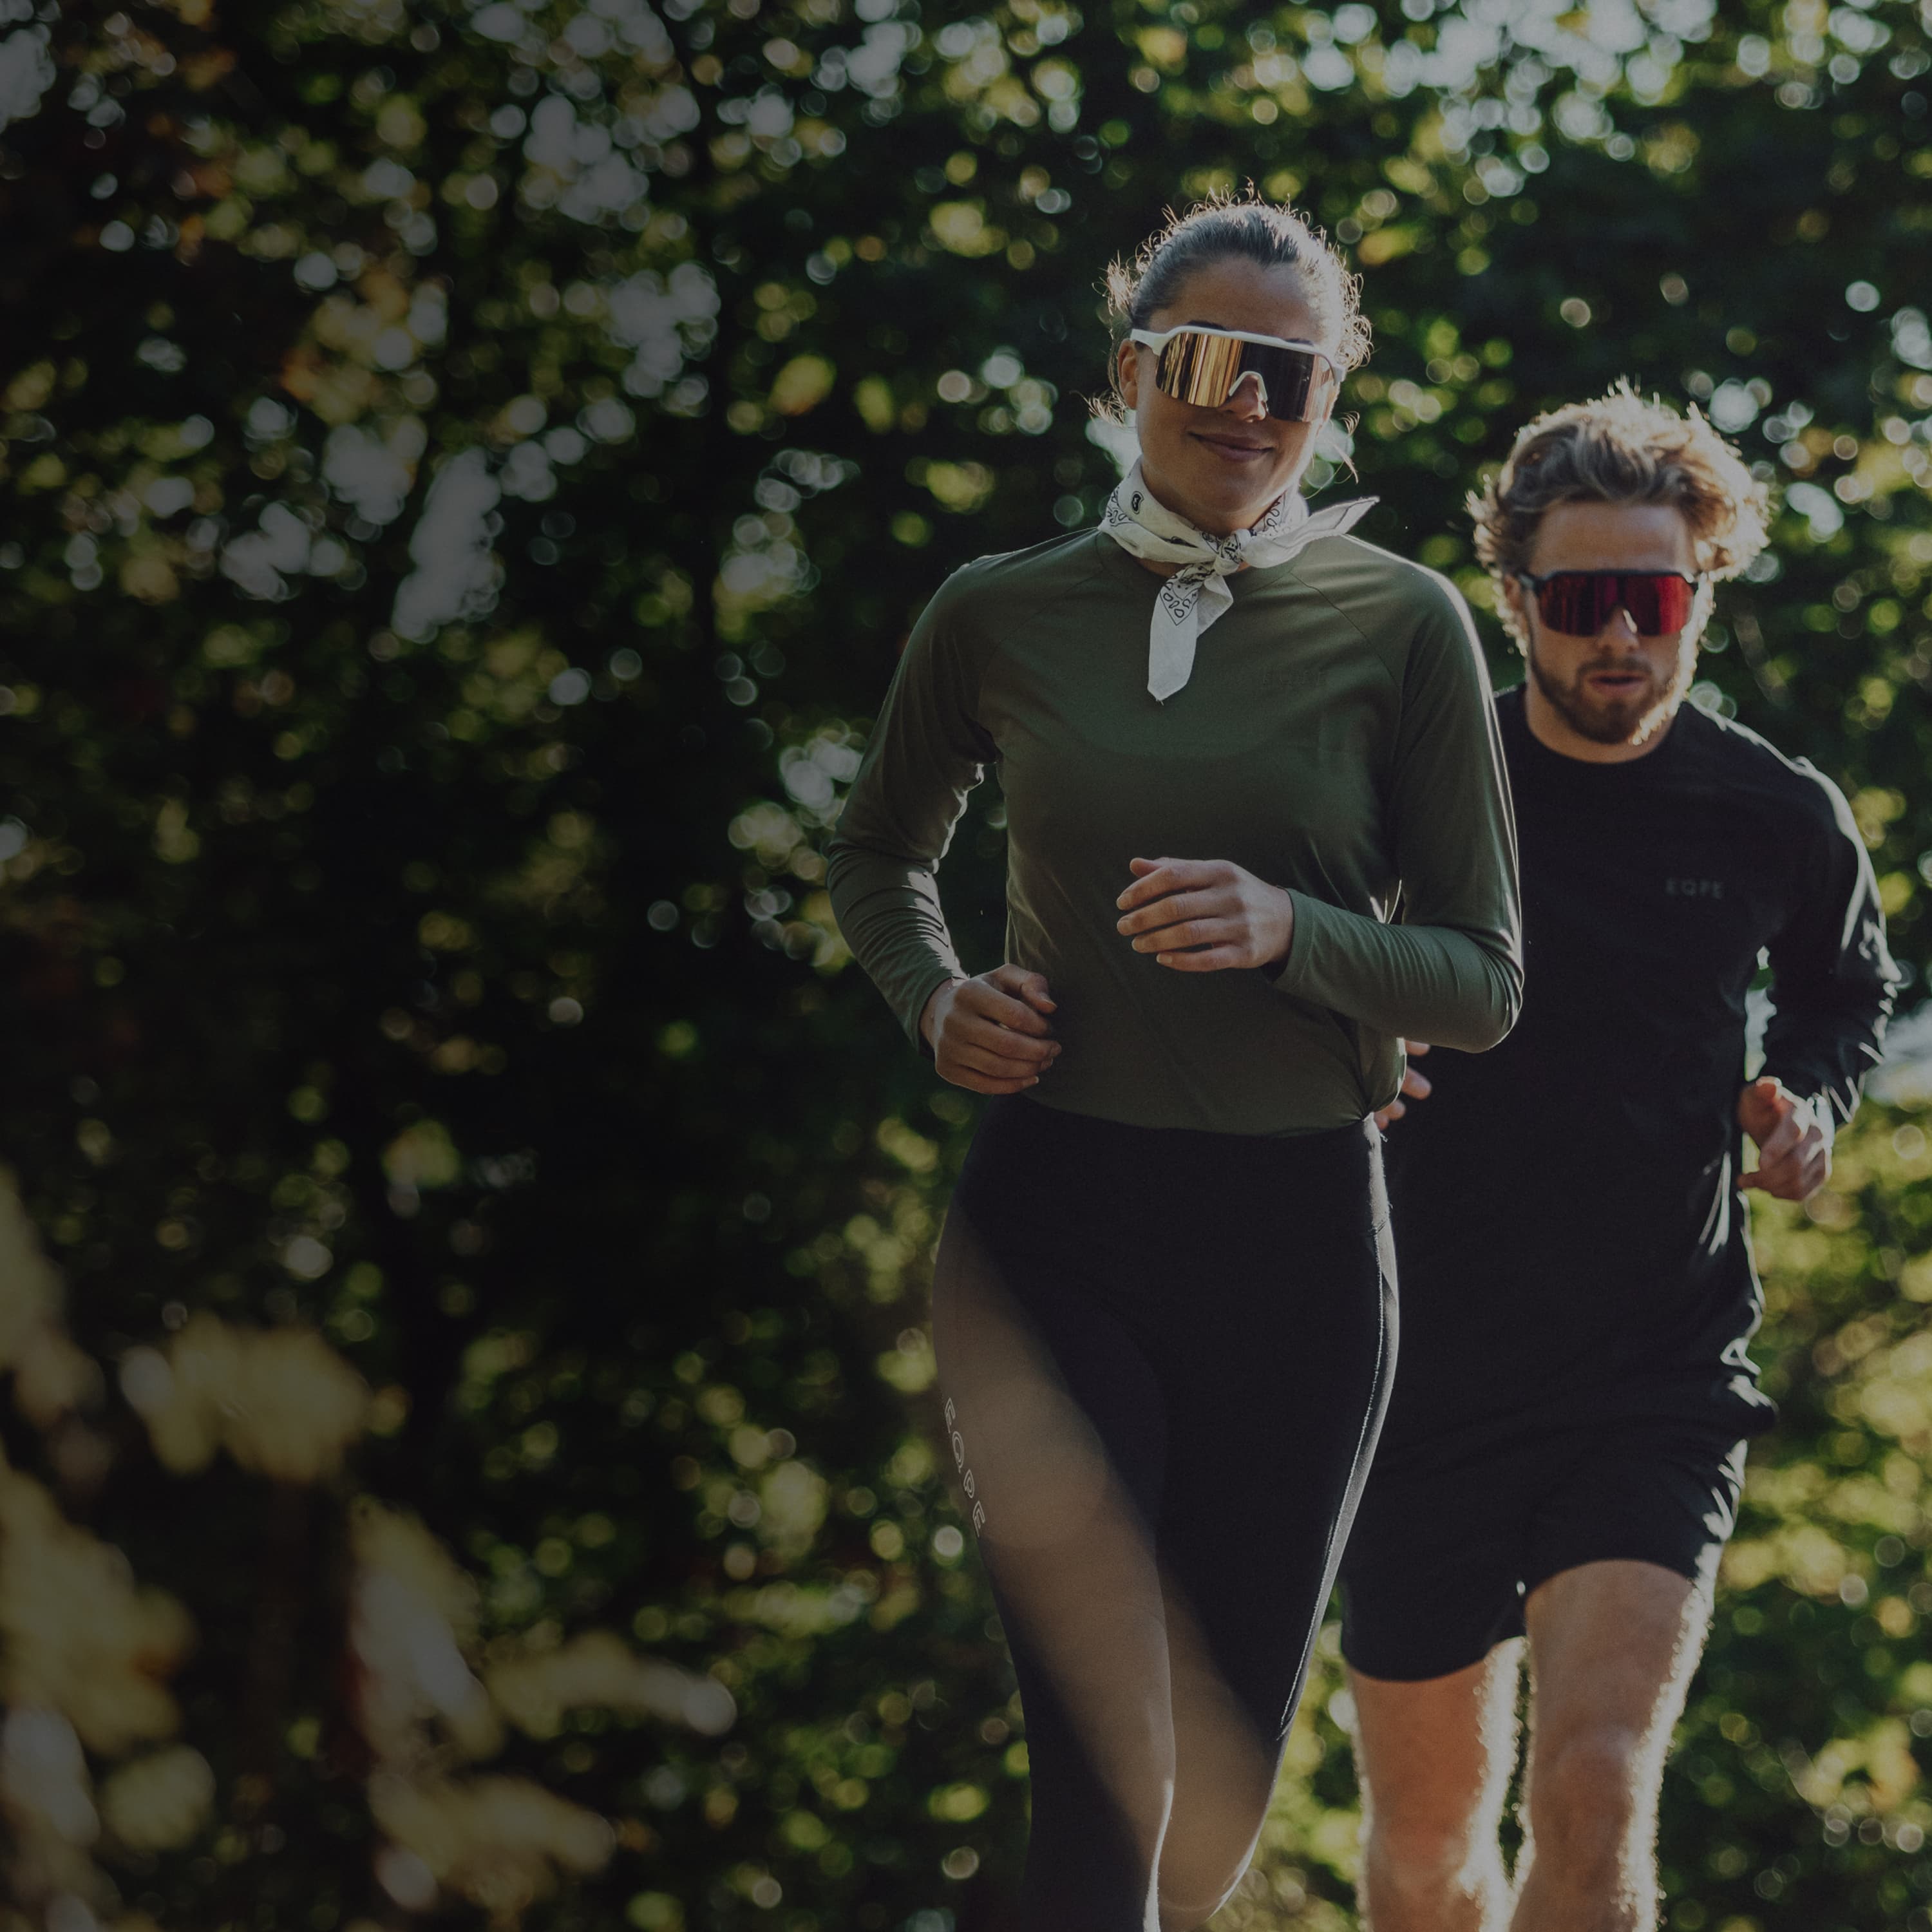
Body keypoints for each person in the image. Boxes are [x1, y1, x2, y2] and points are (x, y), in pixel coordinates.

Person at [826, 194, 1521, 1931]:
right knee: (1096, 1749)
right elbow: (874, 857)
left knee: (1203, 1808)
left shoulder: (1407, 624)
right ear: (1132, 369)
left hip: (1296, 1250)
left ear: (1329, 399)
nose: (1249, 406)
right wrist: (933, 999)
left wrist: (1300, 934)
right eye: (1209, 361)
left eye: (1292, 376)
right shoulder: (998, 614)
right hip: (1053, 1224)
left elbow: (1486, 983)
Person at [1339, 388, 1898, 1932]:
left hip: (1653, 1373)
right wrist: (1349, 1049)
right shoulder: (1413, 782)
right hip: (1413, 1375)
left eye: (1653, 600)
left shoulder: (1774, 811)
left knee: (1591, 1789)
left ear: (1700, 594)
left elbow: (1849, 989)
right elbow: (1288, 953)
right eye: (1579, 602)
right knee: (1425, 1842)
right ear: (1514, 602)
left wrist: (1811, 1101)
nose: (1619, 639)